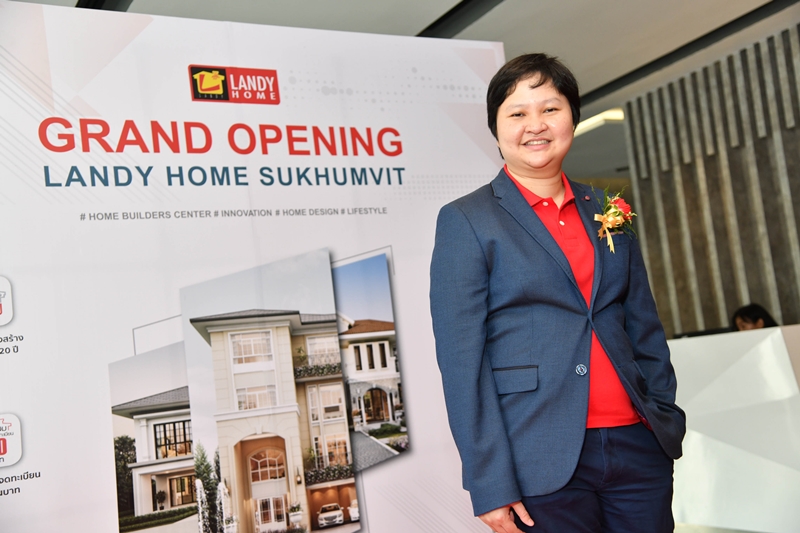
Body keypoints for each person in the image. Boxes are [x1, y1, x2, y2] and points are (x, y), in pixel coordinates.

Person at [429, 53, 686, 533]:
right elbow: (462, 363)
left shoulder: (607, 207)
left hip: (637, 445)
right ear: (496, 128)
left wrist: (663, 414)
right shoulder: (468, 220)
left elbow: (643, 324)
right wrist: (489, 482)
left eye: (550, 109)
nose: (536, 125)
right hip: (538, 455)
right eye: (517, 113)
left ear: (572, 116)